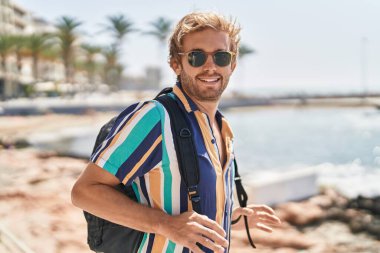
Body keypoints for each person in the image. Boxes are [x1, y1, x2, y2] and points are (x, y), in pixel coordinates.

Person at [71, 11, 281, 253]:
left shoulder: (222, 127)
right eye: (196, 57)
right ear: (176, 64)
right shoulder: (155, 117)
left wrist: (231, 218)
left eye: (221, 57)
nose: (210, 66)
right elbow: (84, 191)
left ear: (232, 65)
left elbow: (185, 208)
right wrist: (164, 224)